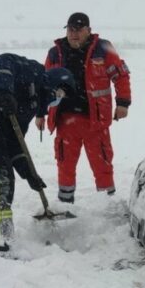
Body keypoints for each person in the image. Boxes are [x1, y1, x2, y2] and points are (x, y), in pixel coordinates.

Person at [0, 54, 74, 256]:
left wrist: (29, 174)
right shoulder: (35, 73)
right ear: (55, 84)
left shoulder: (31, 107)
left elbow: (14, 144)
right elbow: (4, 60)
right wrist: (4, 92)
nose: (57, 99)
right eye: (60, 93)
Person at [44, 12, 132, 204]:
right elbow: (44, 84)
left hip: (96, 121)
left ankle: (107, 204)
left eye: (78, 29)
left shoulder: (103, 49)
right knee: (65, 164)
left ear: (88, 30)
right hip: (65, 120)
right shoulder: (55, 53)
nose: (74, 34)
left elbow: (121, 75)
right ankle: (65, 204)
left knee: (102, 163)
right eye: (70, 29)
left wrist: (123, 103)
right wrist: (40, 113)